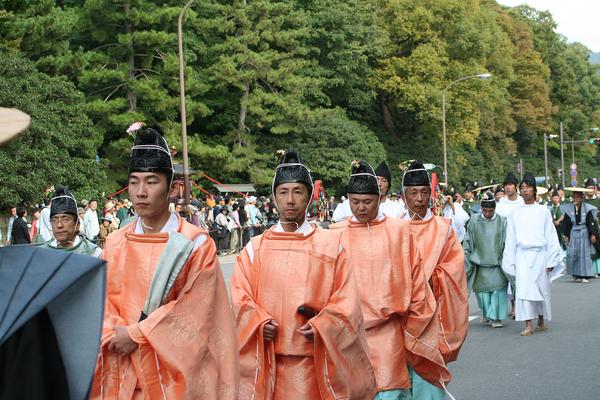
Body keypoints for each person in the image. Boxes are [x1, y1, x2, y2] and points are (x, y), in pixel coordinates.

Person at [90, 123, 238, 399]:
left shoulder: (195, 243)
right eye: (134, 182)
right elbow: (101, 302)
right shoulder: (115, 242)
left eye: (151, 181)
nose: (140, 192)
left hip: (172, 375)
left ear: (172, 188)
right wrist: (113, 333)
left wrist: (138, 334)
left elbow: (197, 311)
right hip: (121, 367)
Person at [230, 149, 377, 400]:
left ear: (308, 196)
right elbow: (238, 298)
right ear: (274, 197)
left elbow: (346, 302)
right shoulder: (255, 248)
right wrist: (258, 322)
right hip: (267, 363)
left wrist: (324, 325)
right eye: (283, 192)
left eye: (297, 192)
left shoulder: (330, 246)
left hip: (314, 364)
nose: (290, 200)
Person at [329, 160, 448, 399]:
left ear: (379, 198)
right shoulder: (335, 235)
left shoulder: (399, 231)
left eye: (367, 202)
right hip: (350, 335)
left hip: (389, 332)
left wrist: (415, 328)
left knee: (391, 391)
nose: (361, 208)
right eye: (355, 202)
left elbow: (416, 284)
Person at [401, 160, 468, 398]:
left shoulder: (443, 228)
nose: (419, 199)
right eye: (413, 193)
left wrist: (431, 280)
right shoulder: (394, 228)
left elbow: (455, 268)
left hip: (433, 313)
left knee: (427, 378)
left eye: (423, 192)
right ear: (403, 196)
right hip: (401, 313)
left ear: (431, 195)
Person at [502, 172, 562, 336]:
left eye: (528, 187)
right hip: (522, 255)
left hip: (540, 255)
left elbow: (550, 236)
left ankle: (541, 319)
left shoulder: (543, 211)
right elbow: (511, 238)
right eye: (522, 187)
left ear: (535, 190)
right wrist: (510, 260)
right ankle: (528, 324)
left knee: (541, 288)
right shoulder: (515, 213)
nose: (525, 190)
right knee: (524, 290)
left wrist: (551, 260)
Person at [464, 191, 508, 328]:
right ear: (481, 209)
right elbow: (467, 239)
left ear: (494, 209)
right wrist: (467, 254)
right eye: (485, 210)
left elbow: (507, 242)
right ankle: (487, 314)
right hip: (479, 264)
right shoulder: (474, 220)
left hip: (497, 264)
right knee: (483, 295)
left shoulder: (502, 221)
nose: (488, 213)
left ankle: (496, 318)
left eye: (490, 211)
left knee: (498, 292)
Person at [39, 186, 102, 257]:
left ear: (77, 224)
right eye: (54, 220)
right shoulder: (42, 253)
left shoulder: (93, 253)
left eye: (66, 219)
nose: (59, 225)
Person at [331, 161, 403, 221]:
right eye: (376, 179)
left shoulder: (398, 209)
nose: (379, 184)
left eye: (384, 181)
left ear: (389, 186)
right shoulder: (344, 206)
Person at [562, 188, 598, 282]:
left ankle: (585, 275)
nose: (576, 198)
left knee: (584, 254)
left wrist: (593, 234)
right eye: (574, 197)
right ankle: (576, 274)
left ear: (582, 197)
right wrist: (566, 235)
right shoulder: (569, 208)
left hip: (584, 232)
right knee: (573, 253)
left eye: (578, 197)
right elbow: (566, 222)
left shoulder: (587, 207)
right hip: (573, 232)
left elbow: (591, 221)